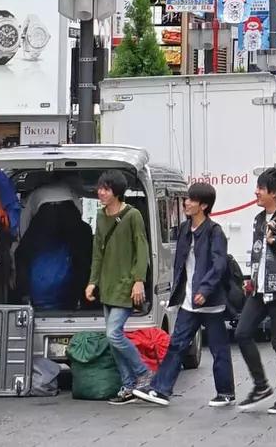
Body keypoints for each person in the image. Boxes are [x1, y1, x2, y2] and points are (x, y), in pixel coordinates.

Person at [137, 182, 235, 407]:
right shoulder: (184, 229)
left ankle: (226, 392)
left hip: (210, 303)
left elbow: (219, 264)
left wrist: (205, 289)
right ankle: (161, 390)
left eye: (191, 200)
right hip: (189, 301)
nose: (186, 203)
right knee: (177, 344)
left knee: (219, 348)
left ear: (204, 205)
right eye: (187, 199)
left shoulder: (214, 231)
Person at [234, 167, 276, 414]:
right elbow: (257, 252)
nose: (256, 192)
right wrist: (251, 278)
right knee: (242, 332)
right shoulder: (258, 219)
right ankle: (261, 384)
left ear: (273, 193)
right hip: (260, 288)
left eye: (260, 189)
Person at [84, 169, 155, 404]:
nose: (100, 192)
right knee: (115, 338)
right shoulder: (101, 215)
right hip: (107, 284)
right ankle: (128, 386)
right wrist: (92, 282)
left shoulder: (133, 215)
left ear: (117, 192)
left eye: (105, 189)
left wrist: (138, 280)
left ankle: (143, 373)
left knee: (113, 334)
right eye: (100, 188)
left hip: (126, 285)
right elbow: (97, 252)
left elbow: (142, 248)